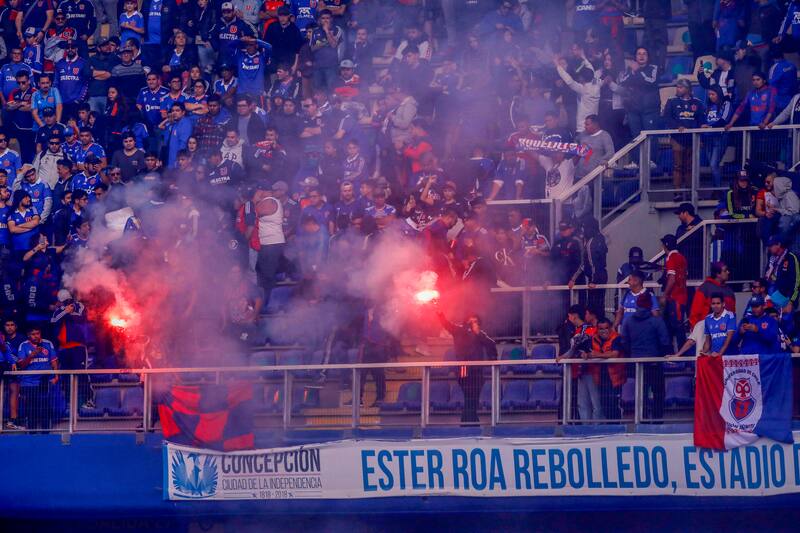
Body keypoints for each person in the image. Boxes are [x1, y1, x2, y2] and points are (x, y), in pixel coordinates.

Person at [436, 309, 497, 425]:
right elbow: (446, 324)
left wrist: (478, 333)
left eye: (476, 321)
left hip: (478, 370)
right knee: (469, 396)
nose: (474, 323)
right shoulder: (459, 330)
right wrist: (440, 313)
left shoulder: (480, 334)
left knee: (474, 398)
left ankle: (469, 422)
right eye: (471, 320)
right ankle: (470, 423)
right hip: (464, 370)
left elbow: (491, 344)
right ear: (466, 321)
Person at [620, 293, 670, 421]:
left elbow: (624, 341)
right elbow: (665, 341)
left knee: (640, 392)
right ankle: (657, 420)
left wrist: (631, 355)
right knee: (658, 392)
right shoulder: (656, 321)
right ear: (650, 305)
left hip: (636, 363)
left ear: (637, 304)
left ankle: (641, 419)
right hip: (654, 362)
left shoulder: (628, 321)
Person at [662, 79, 704, 199]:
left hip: (692, 138)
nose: (677, 89)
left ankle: (691, 192)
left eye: (680, 87)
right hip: (677, 138)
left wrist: (701, 134)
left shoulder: (697, 103)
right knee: (678, 166)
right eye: (677, 87)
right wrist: (677, 126)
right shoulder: (672, 101)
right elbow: (667, 118)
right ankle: (678, 192)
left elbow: (701, 120)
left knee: (690, 166)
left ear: (688, 89)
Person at [14, 326, 59, 429]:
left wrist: (56, 375)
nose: (36, 336)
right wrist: (31, 355)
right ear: (28, 335)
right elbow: (21, 365)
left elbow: (53, 361)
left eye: (38, 333)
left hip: (45, 381)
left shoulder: (48, 343)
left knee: (45, 407)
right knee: (31, 409)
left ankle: (45, 431)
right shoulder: (23, 346)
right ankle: (32, 432)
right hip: (28, 382)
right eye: (33, 334)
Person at [590, 316, 627, 421]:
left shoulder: (617, 338)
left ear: (610, 328)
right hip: (601, 377)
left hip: (615, 378)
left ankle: (617, 426)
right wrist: (586, 354)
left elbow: (615, 354)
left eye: (606, 328)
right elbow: (587, 351)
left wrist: (596, 355)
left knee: (613, 402)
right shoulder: (593, 338)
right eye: (601, 329)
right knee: (604, 403)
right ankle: (609, 426)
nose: (603, 331)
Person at [661, 234, 688, 350]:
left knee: (675, 327)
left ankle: (677, 355)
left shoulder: (671, 258)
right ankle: (681, 355)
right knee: (676, 326)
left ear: (666, 245)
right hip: (682, 297)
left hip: (674, 298)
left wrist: (665, 295)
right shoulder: (682, 257)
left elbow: (672, 279)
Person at [764, 236, 800, 311]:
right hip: (771, 299)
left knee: (786, 321)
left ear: (779, 244)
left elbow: (797, 282)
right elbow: (767, 278)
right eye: (768, 246)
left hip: (786, 300)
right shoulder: (772, 259)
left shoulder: (791, 258)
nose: (769, 248)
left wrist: (791, 302)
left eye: (771, 245)